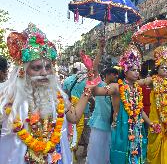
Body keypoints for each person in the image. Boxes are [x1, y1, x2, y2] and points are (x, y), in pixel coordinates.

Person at [0, 23, 96, 163]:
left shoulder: (58, 96)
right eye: (36, 67)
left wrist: (89, 86)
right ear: (23, 71)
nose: (44, 73)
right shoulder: (7, 95)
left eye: (48, 67)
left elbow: (74, 117)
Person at [89, 45, 155, 164]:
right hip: (122, 129)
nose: (137, 73)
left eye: (138, 70)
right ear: (125, 70)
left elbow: (139, 110)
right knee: (122, 158)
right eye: (133, 70)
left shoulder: (136, 86)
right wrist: (92, 76)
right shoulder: (116, 87)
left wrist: (150, 123)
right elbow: (97, 92)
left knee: (137, 157)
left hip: (136, 128)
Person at [63, 41, 104, 159]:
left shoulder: (66, 81)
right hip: (84, 112)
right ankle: (84, 152)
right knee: (86, 134)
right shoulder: (87, 79)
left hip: (70, 111)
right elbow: (92, 92)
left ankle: (73, 156)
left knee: (73, 136)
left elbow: (65, 97)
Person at [86, 67, 118, 164]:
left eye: (117, 74)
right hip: (99, 124)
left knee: (108, 151)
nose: (116, 76)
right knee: (96, 152)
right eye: (114, 73)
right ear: (107, 75)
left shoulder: (116, 88)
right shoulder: (101, 84)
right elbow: (94, 69)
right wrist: (100, 51)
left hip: (111, 124)